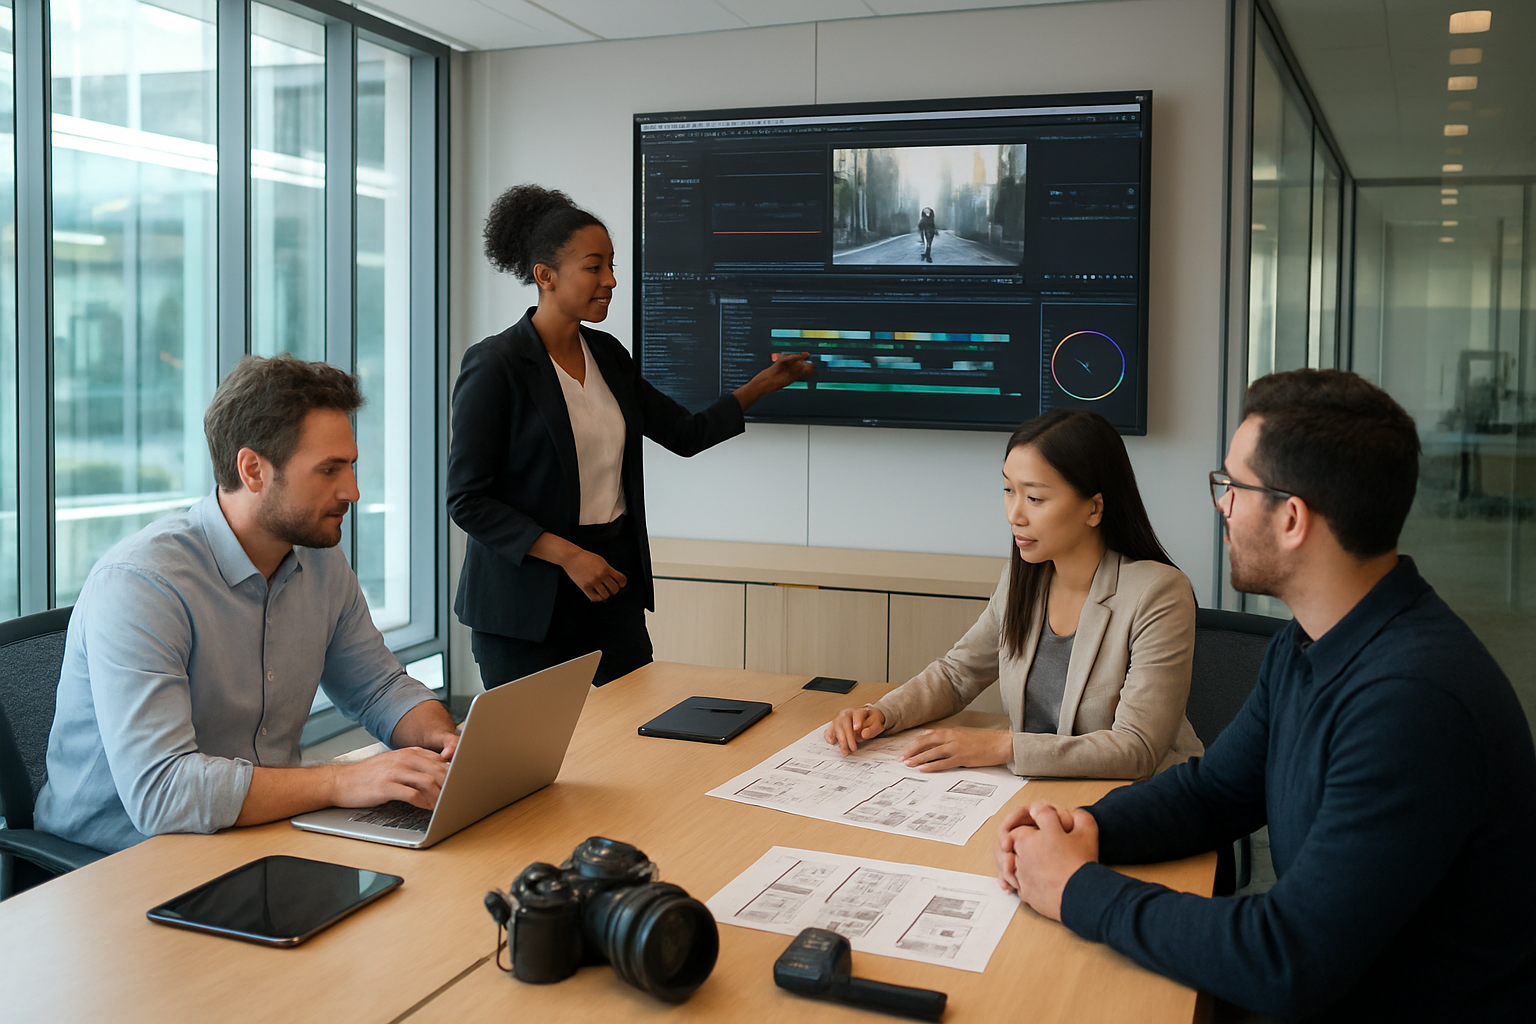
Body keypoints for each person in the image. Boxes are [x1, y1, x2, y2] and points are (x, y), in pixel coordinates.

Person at [995, 370, 1536, 1021]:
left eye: (1232, 487)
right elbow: (1217, 792)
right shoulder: (1310, 642)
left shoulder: (1412, 702)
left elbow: (1286, 959)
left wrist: (1077, 889)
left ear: (1291, 518)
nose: (1220, 505)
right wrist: (1090, 827)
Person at [35, 355, 460, 854]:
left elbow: (379, 687)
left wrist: (443, 744)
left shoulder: (319, 561)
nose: (353, 491)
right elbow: (162, 793)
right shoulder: (142, 585)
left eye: (351, 466)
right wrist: (341, 781)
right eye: (329, 470)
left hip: (256, 836)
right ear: (253, 470)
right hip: (115, 865)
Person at [449, 185, 812, 688]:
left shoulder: (609, 355)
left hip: (610, 586)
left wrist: (762, 386)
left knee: (632, 749)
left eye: (611, 266)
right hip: (527, 605)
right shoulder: (495, 365)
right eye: (594, 267)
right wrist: (570, 555)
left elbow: (685, 434)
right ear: (545, 275)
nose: (611, 280)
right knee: (543, 763)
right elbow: (467, 500)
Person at [824, 408, 1203, 780]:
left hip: (1145, 803)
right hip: (1043, 795)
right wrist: (882, 714)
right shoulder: (1024, 579)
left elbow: (1136, 749)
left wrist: (1003, 747)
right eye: (1009, 490)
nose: (1014, 514)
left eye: (1035, 499)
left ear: (1094, 507)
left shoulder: (1158, 593)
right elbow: (958, 675)